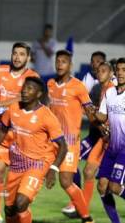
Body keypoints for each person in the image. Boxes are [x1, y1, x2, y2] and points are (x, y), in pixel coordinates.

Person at [0, 76, 68, 223]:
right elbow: (2, 131)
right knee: (10, 209)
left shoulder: (47, 116)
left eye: (30, 88)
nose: (25, 91)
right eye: (24, 87)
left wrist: (53, 169)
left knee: (21, 203)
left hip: (38, 163)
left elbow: (63, 145)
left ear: (38, 94)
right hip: (17, 164)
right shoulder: (13, 108)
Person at [0, 42, 39, 223]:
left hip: (22, 135)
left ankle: (21, 212)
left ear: (28, 58)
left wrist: (0, 105)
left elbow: (22, 100)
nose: (17, 57)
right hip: (2, 132)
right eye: (15, 53)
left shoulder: (32, 77)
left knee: (20, 181)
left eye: (22, 54)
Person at [63, 61, 116, 217]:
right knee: (88, 171)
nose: (100, 73)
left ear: (111, 73)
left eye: (104, 71)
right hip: (103, 138)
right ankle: (82, 209)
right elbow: (99, 115)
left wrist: (87, 110)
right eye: (98, 71)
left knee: (112, 183)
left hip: (113, 140)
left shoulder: (112, 90)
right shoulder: (101, 89)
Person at [47, 50, 94, 223]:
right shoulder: (51, 84)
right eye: (57, 61)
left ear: (70, 65)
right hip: (51, 141)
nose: (60, 64)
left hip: (70, 141)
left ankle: (86, 218)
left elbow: (89, 110)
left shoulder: (78, 86)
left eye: (64, 62)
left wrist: (102, 126)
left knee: (66, 181)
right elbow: (48, 109)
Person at [93, 57, 125, 223]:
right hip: (112, 147)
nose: (120, 73)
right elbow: (102, 115)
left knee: (114, 187)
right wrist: (88, 107)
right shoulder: (110, 92)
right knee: (102, 187)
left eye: (124, 70)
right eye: (118, 69)